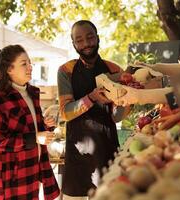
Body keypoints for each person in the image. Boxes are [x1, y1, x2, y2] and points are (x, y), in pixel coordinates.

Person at [57, 20, 131, 199]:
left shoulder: (114, 70)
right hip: (77, 152)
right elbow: (65, 112)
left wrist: (128, 99)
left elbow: (117, 117)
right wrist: (91, 98)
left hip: (107, 149)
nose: (86, 44)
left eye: (90, 37)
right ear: (73, 43)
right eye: (79, 40)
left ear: (98, 38)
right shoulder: (65, 71)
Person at [0, 44, 60, 200]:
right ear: (9, 69)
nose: (30, 67)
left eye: (29, 63)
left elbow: (31, 129)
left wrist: (46, 125)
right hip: (12, 175)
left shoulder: (32, 93)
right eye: (24, 63)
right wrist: (35, 137)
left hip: (34, 166)